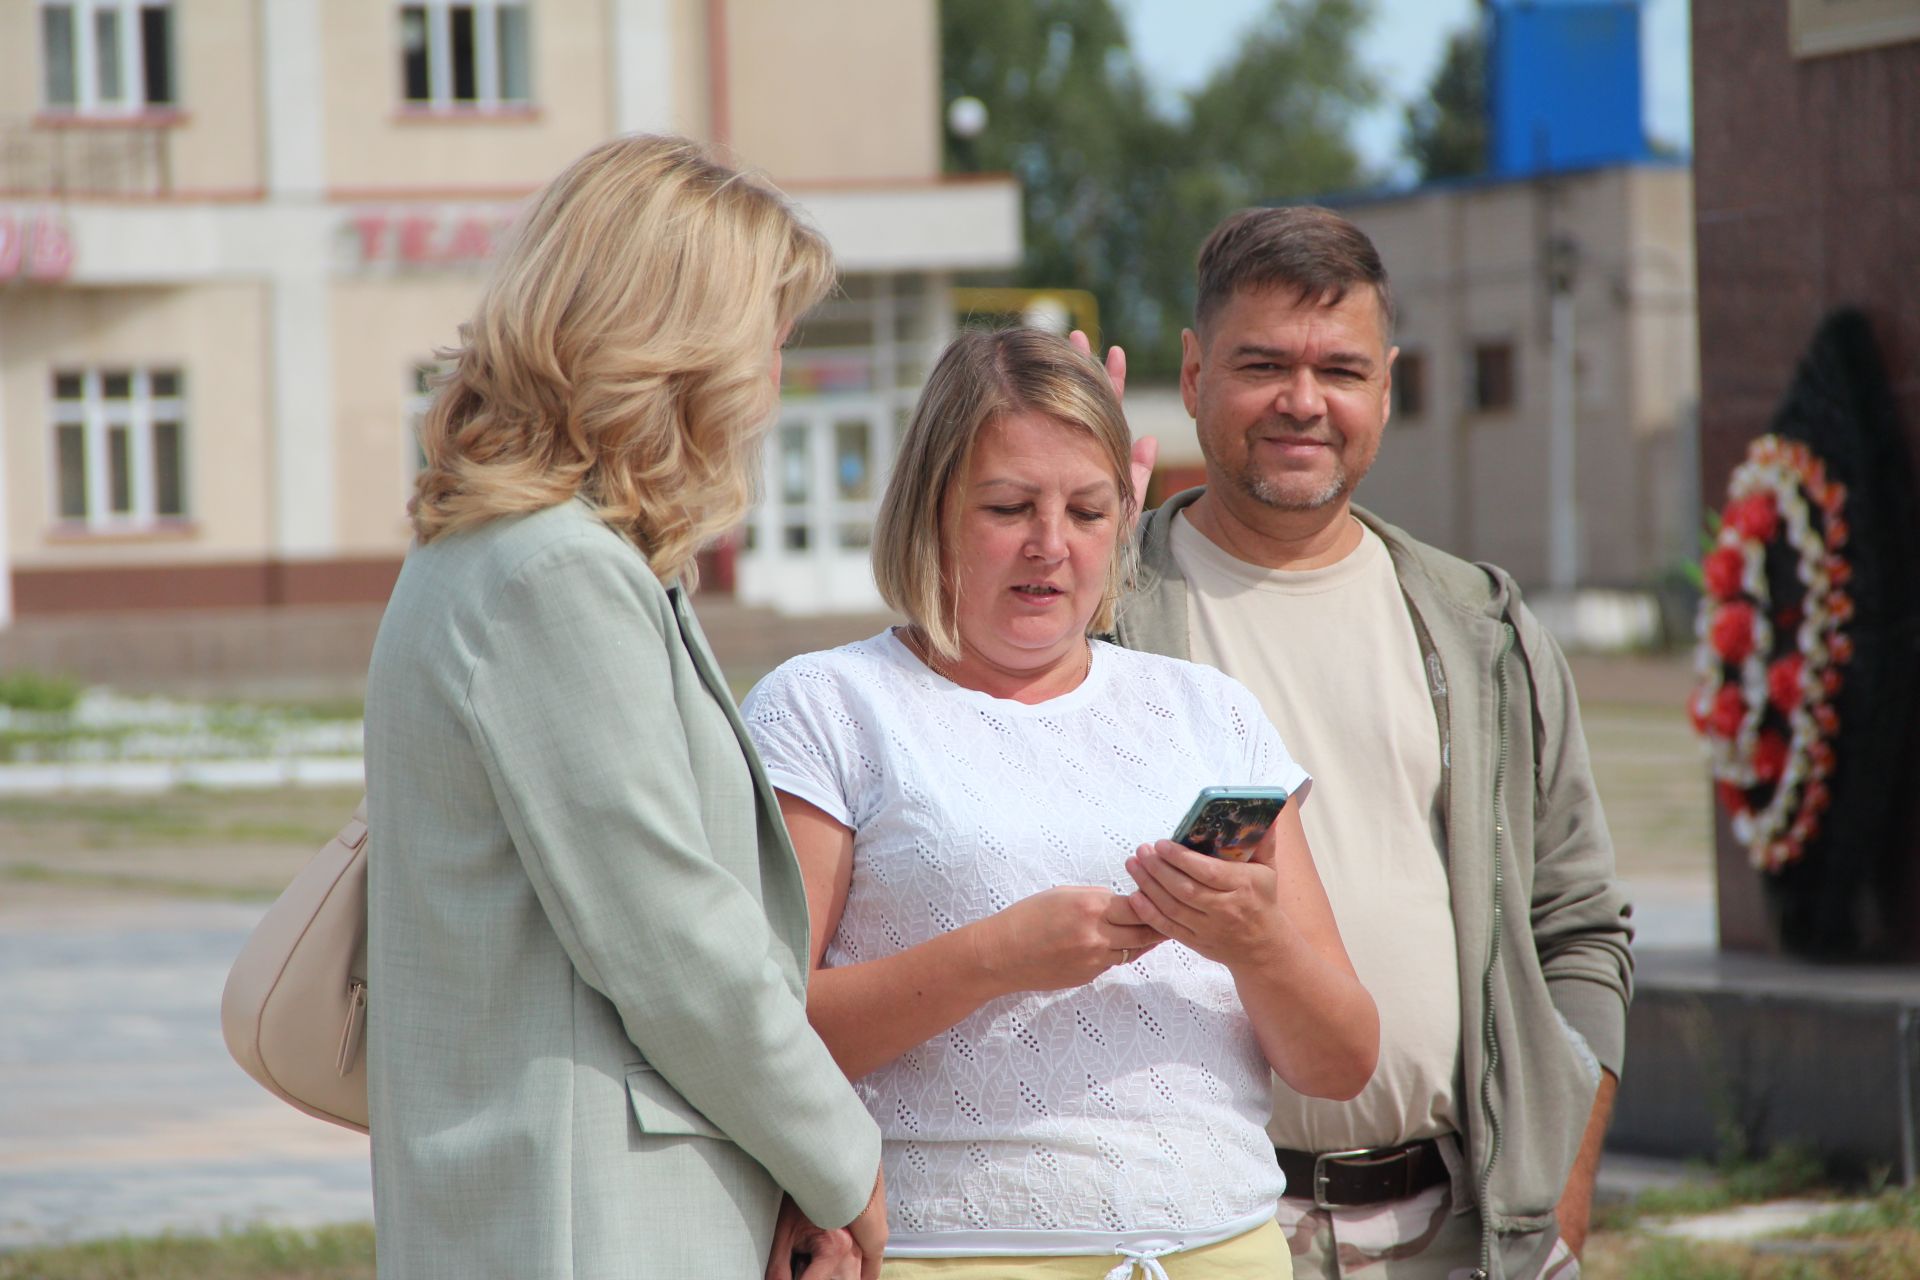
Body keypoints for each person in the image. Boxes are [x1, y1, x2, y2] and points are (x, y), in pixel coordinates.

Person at [741, 328, 1379, 1280]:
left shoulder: (1209, 711)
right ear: (930, 507)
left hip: (1221, 1247)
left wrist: (1258, 945)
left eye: (1087, 511)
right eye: (1009, 507)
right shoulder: (827, 705)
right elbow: (753, 1025)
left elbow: (1339, 1063)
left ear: (1126, 517)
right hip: (945, 1250)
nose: (1049, 546)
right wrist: (993, 958)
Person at [362, 134, 888, 1280]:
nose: (772, 384)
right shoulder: (554, 573)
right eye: (767, 342)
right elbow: (672, 939)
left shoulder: (537, 555)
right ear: (675, 349)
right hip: (589, 1213)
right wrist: (845, 1159)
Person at [1108, 205, 1635, 1279]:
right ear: (1196, 370)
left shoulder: (1481, 626)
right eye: (1262, 363)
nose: (1305, 401)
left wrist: (1561, 1195)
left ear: (1386, 386)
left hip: (1466, 1235)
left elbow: (1579, 927)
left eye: (1340, 369)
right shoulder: (1108, 616)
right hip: (1209, 1232)